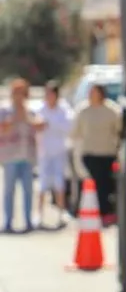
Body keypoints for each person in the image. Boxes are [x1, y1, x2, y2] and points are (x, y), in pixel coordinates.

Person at [71, 83, 122, 223]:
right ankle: (87, 211)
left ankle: (105, 212)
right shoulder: (83, 110)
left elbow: (118, 130)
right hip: (89, 152)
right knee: (91, 183)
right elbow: (76, 132)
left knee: (104, 184)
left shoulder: (112, 110)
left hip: (106, 153)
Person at [0, 78, 42, 233]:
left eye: (22, 93)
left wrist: (26, 117)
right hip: (10, 155)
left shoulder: (30, 111)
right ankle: (8, 222)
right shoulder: (4, 110)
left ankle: (28, 221)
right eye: (16, 93)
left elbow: (40, 126)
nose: (19, 96)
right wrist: (14, 119)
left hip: (27, 156)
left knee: (28, 191)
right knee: (9, 191)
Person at [36, 81, 74, 228]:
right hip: (44, 151)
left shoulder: (64, 109)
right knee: (43, 183)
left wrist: (50, 124)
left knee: (59, 183)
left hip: (59, 151)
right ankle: (39, 214)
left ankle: (61, 212)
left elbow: (68, 127)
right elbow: (35, 124)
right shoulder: (41, 108)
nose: (49, 97)